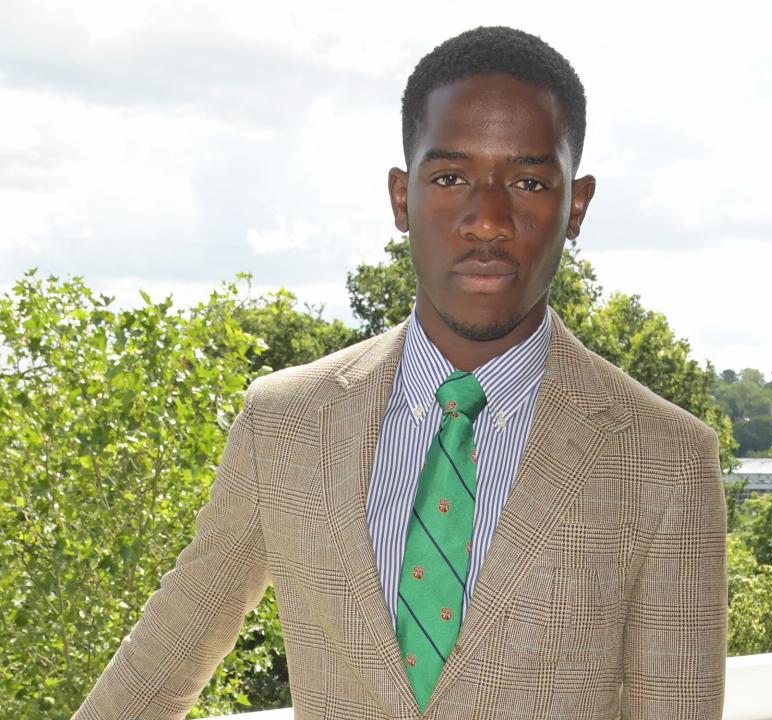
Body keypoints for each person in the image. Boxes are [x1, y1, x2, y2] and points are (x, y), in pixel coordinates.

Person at [73, 25, 727, 720]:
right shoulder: (284, 423)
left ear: (575, 205)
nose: (487, 221)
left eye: (529, 181)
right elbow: (160, 662)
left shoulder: (667, 461)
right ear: (400, 196)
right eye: (450, 178)